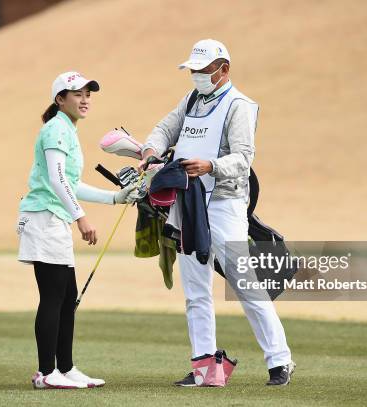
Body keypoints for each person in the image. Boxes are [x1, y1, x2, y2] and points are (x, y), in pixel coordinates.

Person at [139, 40, 295, 386]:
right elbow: (166, 128)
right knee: (196, 289)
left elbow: (243, 158)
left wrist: (210, 165)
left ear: (223, 69)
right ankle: (206, 368)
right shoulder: (193, 99)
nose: (197, 75)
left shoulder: (240, 105)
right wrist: (152, 148)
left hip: (224, 203)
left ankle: (280, 361)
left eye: (204, 70)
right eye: (193, 70)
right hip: (187, 201)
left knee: (244, 284)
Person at [17, 71, 139, 389]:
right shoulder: (56, 129)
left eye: (88, 94)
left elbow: (70, 183)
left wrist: (114, 197)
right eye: (77, 94)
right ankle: (46, 373)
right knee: (53, 297)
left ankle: (66, 368)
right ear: (60, 99)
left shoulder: (66, 129)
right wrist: (81, 219)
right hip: (43, 219)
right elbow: (57, 181)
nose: (85, 99)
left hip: (53, 219)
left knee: (67, 296)